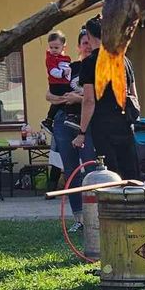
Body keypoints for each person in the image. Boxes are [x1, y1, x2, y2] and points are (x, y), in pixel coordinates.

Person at [74, 16, 140, 181]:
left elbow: (89, 100)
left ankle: (115, 205)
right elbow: (134, 95)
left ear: (89, 37)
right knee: (130, 170)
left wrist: (81, 132)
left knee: (110, 173)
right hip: (125, 122)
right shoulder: (124, 60)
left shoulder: (90, 62)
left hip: (103, 124)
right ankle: (136, 203)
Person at [46, 28, 96, 227]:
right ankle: (79, 218)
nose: (88, 46)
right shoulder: (71, 67)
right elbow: (48, 94)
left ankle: (95, 217)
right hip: (64, 121)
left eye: (90, 43)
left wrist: (79, 98)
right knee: (71, 170)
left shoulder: (99, 68)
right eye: (84, 43)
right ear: (78, 47)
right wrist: (63, 99)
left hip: (89, 124)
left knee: (91, 169)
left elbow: (99, 99)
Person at [45, 31, 72, 130]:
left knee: (59, 101)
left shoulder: (65, 58)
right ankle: (50, 119)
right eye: (51, 47)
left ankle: (49, 119)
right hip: (56, 84)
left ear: (63, 47)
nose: (53, 50)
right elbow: (52, 71)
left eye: (56, 48)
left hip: (63, 82)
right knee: (66, 97)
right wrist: (62, 73)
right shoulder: (51, 58)